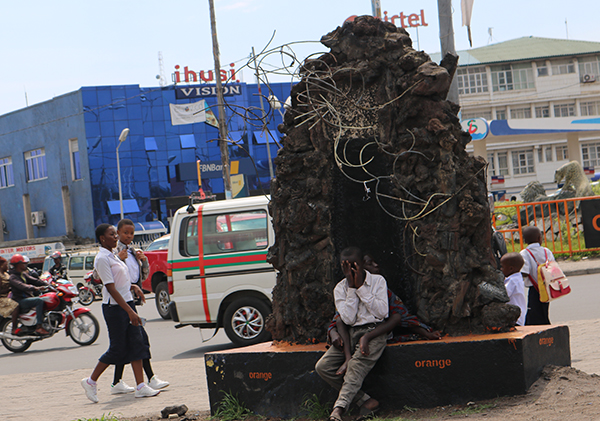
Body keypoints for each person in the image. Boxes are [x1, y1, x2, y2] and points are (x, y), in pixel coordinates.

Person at [81, 224, 160, 403]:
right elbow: (110, 288)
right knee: (117, 350)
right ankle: (90, 381)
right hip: (115, 309)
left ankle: (141, 386)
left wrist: (133, 287)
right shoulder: (102, 258)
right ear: (103, 238)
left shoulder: (113, 255)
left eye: (116, 234)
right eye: (112, 234)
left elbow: (119, 281)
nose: (116, 237)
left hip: (126, 303)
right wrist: (130, 312)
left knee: (137, 344)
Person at [328, 254, 441, 368]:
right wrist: (333, 334)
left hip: (377, 332)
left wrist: (426, 333)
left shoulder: (381, 287)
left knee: (395, 317)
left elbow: (401, 314)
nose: (376, 265)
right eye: (369, 263)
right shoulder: (343, 289)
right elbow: (339, 318)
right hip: (353, 334)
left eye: (374, 262)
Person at [315, 247, 389, 421]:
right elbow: (347, 319)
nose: (350, 270)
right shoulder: (340, 288)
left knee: (355, 365)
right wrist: (351, 287)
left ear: (362, 264)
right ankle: (366, 401)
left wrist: (361, 288)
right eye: (345, 267)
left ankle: (338, 410)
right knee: (323, 367)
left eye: (353, 266)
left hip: (374, 332)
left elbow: (382, 313)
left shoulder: (378, 281)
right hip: (350, 334)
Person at [110, 219, 169, 395]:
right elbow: (103, 276)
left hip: (131, 299)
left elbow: (140, 276)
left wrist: (143, 261)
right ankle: (149, 379)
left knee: (126, 343)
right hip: (120, 302)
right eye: (125, 233)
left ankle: (116, 383)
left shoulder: (134, 251)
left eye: (131, 233)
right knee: (139, 339)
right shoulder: (112, 252)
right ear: (117, 233)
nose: (128, 236)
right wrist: (117, 259)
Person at [520, 226, 555, 325]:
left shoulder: (525, 253)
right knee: (544, 309)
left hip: (534, 288)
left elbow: (525, 272)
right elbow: (553, 267)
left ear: (525, 240)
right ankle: (545, 324)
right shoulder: (546, 251)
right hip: (547, 287)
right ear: (540, 238)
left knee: (534, 311)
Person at [8, 254, 50, 335]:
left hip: (26, 298)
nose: (25, 265)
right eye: (23, 263)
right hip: (19, 300)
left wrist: (48, 284)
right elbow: (23, 286)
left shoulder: (23, 274)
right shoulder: (13, 277)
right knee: (39, 301)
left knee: (45, 298)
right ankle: (39, 327)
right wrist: (36, 288)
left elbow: (35, 280)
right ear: (18, 265)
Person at [500, 252, 527, 326]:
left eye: (502, 267)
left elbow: (504, 294)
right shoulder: (517, 278)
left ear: (511, 269)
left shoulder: (512, 281)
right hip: (518, 316)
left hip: (514, 317)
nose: (501, 269)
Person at [0, 256, 20, 333]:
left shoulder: (6, 274)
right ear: (1, 265)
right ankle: (14, 328)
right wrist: (10, 289)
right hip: (2, 299)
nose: (7, 266)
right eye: (6, 265)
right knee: (16, 306)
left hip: (8, 296)